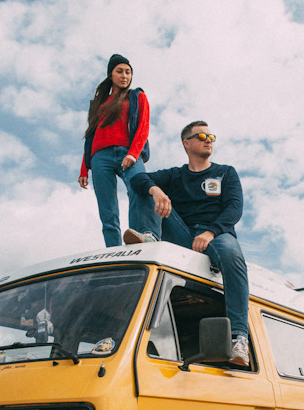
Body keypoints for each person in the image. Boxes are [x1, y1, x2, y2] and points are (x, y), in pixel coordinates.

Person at [129, 121, 251, 366]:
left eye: (211, 136)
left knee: (233, 257)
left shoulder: (225, 172)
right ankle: (150, 236)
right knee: (144, 188)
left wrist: (210, 232)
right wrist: (156, 190)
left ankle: (239, 338)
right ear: (187, 143)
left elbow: (234, 209)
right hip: (182, 234)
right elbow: (137, 180)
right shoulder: (175, 175)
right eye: (202, 135)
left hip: (217, 235)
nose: (209, 140)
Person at [78, 54, 159, 247]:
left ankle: (141, 239)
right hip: (100, 158)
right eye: (120, 71)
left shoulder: (137, 96)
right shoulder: (98, 104)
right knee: (108, 209)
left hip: (129, 152)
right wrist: (84, 169)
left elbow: (143, 128)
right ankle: (113, 252)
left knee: (139, 189)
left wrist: (133, 153)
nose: (124, 76)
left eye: (128, 72)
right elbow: (91, 136)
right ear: (110, 74)